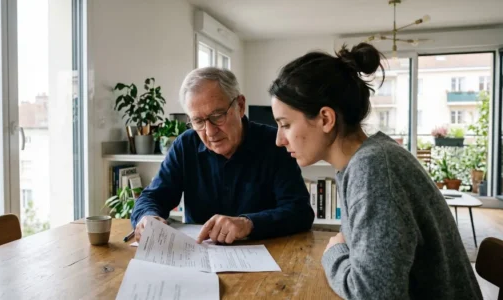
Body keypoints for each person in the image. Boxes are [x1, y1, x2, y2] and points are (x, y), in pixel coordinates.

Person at [268, 43, 482, 299]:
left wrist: (334, 254)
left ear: (325, 119)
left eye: (286, 125)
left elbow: (372, 294)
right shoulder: (365, 161)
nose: (279, 140)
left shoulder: (374, 169)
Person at [130, 67, 314, 244]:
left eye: (217, 116)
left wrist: (248, 223)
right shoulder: (185, 145)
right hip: (199, 256)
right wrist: (147, 217)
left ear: (240, 106)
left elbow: (300, 211)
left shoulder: (275, 144)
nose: (210, 132)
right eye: (198, 121)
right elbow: (152, 196)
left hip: (269, 256)